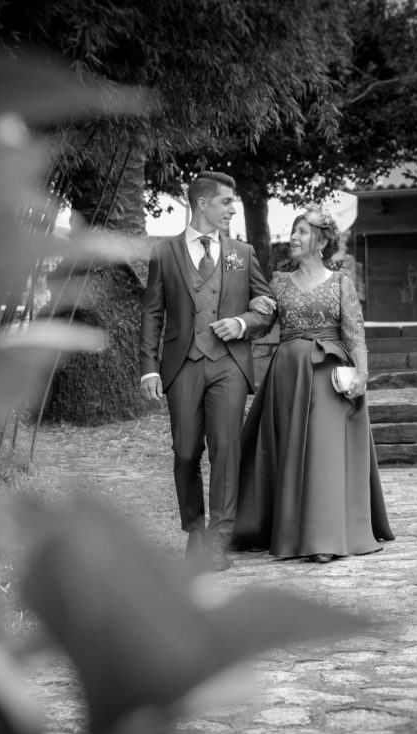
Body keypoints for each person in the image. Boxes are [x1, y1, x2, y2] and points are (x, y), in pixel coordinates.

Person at [232, 207, 394, 562]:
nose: (294, 237)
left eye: (303, 232)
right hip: (286, 377)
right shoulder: (277, 282)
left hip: (328, 375)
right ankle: (291, 533)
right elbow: (261, 324)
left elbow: (354, 334)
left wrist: (363, 375)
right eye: (294, 230)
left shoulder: (340, 283)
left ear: (321, 241)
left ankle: (323, 539)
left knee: (322, 453)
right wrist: (243, 319)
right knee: (290, 453)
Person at [139, 171, 274, 571]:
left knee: (226, 451)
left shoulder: (242, 252)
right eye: (226, 202)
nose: (233, 208)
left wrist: (243, 323)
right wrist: (149, 369)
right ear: (202, 204)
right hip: (182, 365)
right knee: (184, 452)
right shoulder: (164, 252)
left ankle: (218, 540)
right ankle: (194, 531)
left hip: (229, 365)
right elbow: (151, 313)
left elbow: (266, 304)